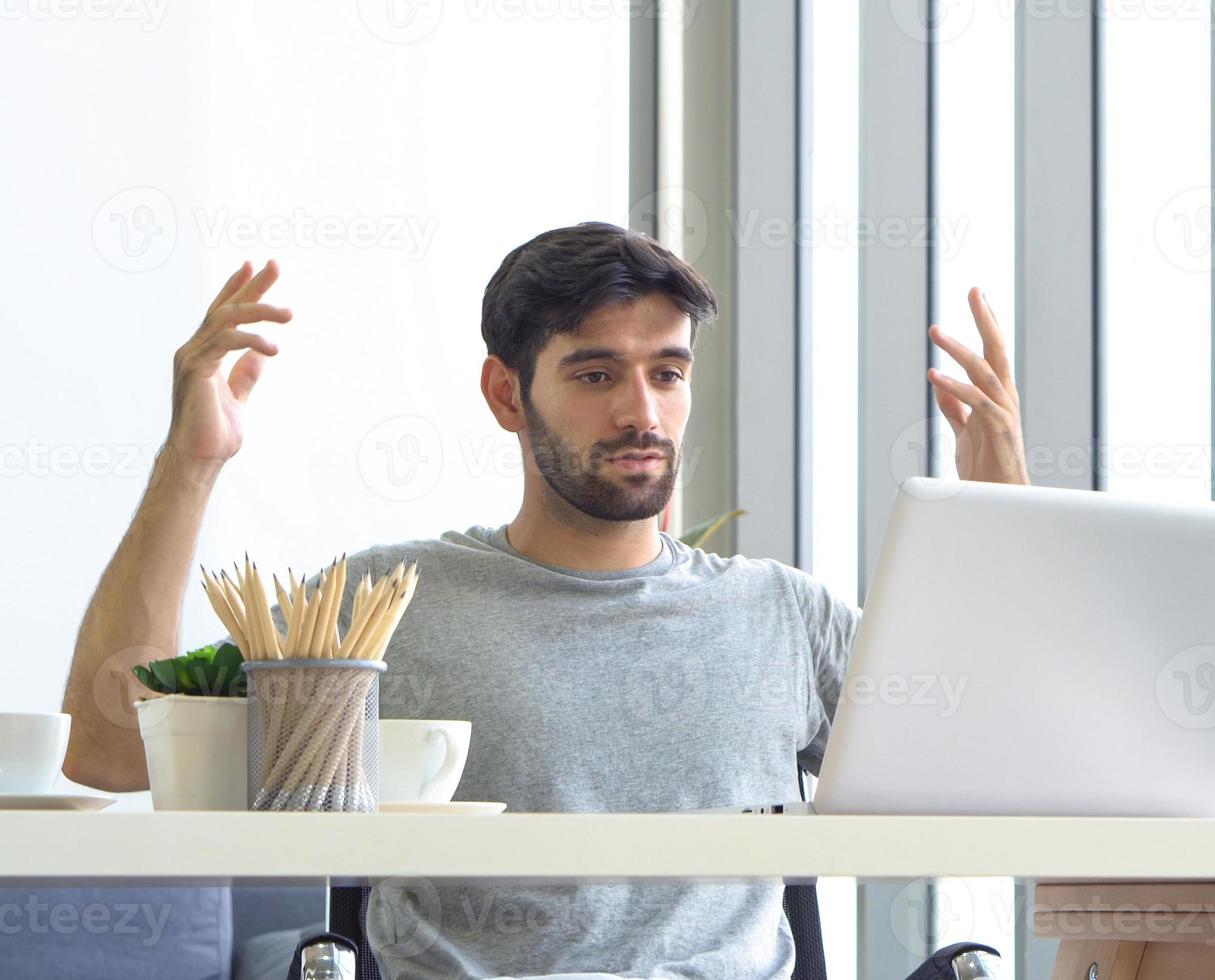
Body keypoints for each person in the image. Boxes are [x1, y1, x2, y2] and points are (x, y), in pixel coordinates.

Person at [59, 221, 1031, 978]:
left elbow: (1007, 765)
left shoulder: (783, 618)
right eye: (596, 372)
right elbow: (104, 749)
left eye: (667, 372)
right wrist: (189, 466)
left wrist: (1003, 521)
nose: (641, 411)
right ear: (505, 392)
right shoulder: (385, 604)